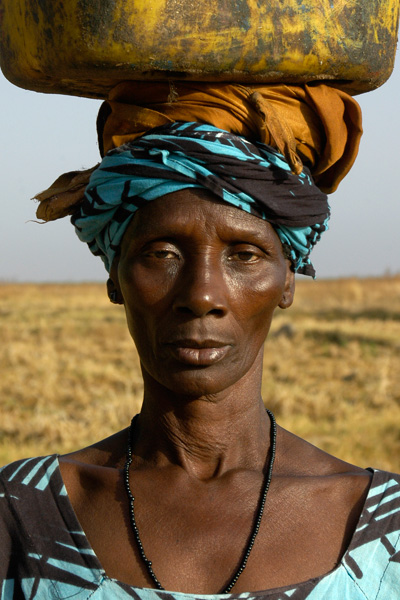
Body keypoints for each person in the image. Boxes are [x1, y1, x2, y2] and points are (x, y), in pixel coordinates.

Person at [1, 84, 399, 599]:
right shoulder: (23, 516)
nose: (202, 294)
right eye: (161, 253)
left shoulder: (382, 530)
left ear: (288, 281)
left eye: (245, 254)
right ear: (114, 278)